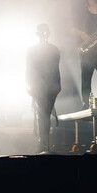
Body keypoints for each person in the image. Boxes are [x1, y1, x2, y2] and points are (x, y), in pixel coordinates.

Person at [26, 22, 63, 153]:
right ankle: (44, 144)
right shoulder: (50, 50)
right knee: (44, 114)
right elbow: (29, 70)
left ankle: (43, 144)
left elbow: (55, 69)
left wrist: (57, 86)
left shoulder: (52, 50)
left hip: (47, 86)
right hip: (41, 87)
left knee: (43, 114)